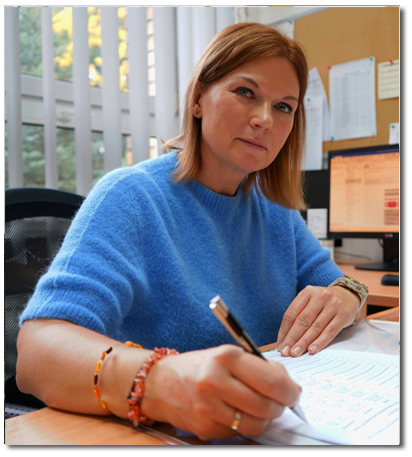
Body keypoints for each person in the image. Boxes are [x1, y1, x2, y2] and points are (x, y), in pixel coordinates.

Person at [16, 22, 363, 441]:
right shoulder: (131, 197)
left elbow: (340, 288)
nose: (264, 120)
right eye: (246, 92)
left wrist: (349, 295)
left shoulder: (275, 210)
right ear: (198, 99)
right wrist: (160, 380)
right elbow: (37, 354)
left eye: (284, 107)